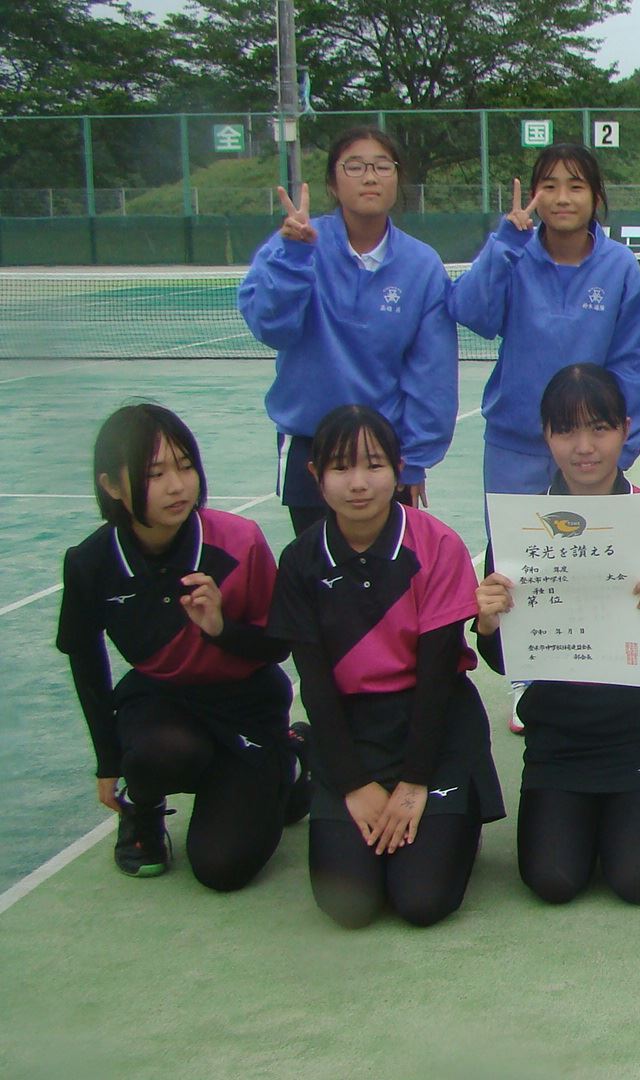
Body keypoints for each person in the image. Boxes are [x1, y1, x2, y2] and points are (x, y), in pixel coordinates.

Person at [56, 404, 310, 889]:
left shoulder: (238, 541)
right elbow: (86, 663)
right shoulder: (90, 562)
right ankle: (143, 809)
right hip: (162, 703)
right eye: (155, 474)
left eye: (185, 466)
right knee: (158, 752)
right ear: (112, 485)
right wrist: (109, 763)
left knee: (222, 868)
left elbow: (278, 646)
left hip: (247, 703)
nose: (177, 486)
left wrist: (221, 628)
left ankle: (292, 759)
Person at [269, 406, 504, 928]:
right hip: (351, 733)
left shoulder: (437, 545)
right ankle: (312, 766)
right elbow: (315, 684)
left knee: (422, 900)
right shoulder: (300, 560)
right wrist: (354, 784)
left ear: (398, 469)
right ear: (315, 475)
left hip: (433, 728)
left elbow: (438, 675)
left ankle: (457, 812)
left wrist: (414, 782)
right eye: (341, 467)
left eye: (373, 465)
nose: (358, 483)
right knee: (348, 906)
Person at [472, 366, 640, 905]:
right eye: (566, 430)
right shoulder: (517, 530)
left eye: (599, 428)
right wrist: (489, 627)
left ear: (625, 429)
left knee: (638, 880)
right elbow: (505, 659)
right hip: (561, 737)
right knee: (553, 880)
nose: (584, 448)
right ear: (546, 435)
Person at [237, 125, 457, 535]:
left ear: (397, 179)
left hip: (385, 452)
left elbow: (433, 374)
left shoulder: (422, 265)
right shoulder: (295, 243)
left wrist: (415, 459)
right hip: (310, 444)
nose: (370, 177)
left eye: (382, 166)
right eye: (354, 166)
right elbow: (271, 328)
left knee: (385, 567)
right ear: (333, 183)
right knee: (317, 563)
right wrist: (293, 257)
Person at [449, 143, 640, 504]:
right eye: (549, 186)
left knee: (589, 543)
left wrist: (619, 450)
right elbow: (470, 312)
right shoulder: (512, 253)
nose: (562, 198)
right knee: (514, 543)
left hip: (590, 454)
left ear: (596, 197)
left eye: (576, 187)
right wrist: (504, 244)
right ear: (534, 195)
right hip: (514, 449)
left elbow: (635, 366)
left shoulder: (620, 267)